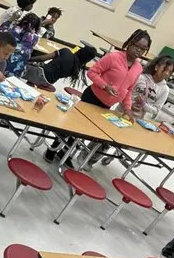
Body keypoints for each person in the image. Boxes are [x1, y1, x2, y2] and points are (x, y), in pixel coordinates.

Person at [45, 29, 152, 164]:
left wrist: (127, 108)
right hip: (92, 97)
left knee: (84, 131)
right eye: (137, 46)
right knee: (71, 125)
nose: (138, 50)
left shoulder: (138, 68)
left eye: (143, 49)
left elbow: (129, 90)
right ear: (130, 43)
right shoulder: (113, 57)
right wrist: (105, 86)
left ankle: (65, 154)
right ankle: (53, 148)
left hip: (106, 105)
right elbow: (92, 72)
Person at [24, 45, 98, 91]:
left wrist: (26, 59)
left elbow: (42, 58)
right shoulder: (76, 69)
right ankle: (33, 84)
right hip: (47, 82)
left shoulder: (66, 51)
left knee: (20, 65)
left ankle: (31, 82)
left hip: (39, 73)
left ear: (80, 50)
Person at [128, 54, 174, 120]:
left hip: (139, 119)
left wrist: (143, 105)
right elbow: (125, 93)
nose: (167, 73)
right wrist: (130, 103)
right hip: (123, 111)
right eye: (165, 69)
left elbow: (156, 110)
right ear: (156, 67)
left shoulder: (165, 89)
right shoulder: (141, 77)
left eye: (170, 72)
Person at [2, 13, 41, 78]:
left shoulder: (14, 29)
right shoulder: (34, 37)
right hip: (18, 68)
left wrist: (9, 21)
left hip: (4, 62)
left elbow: (1, 32)